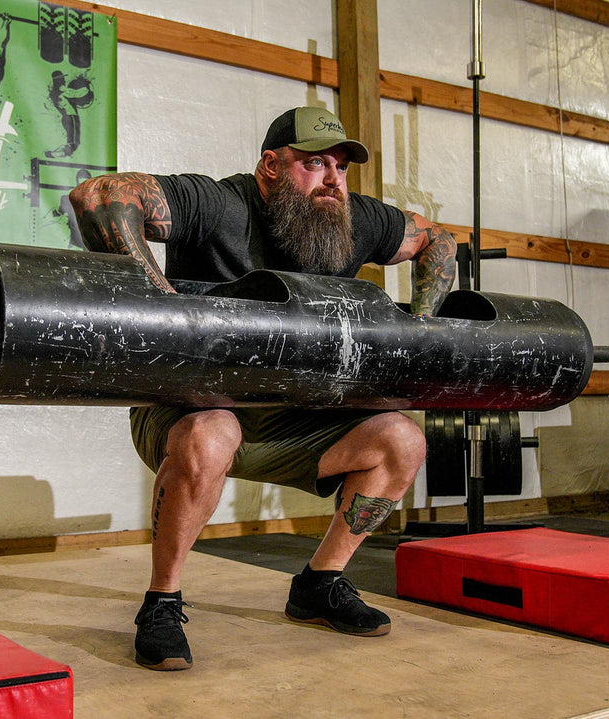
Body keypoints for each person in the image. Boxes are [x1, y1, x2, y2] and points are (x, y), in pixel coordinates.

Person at [69, 106, 457, 672]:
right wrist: (160, 302)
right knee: (214, 430)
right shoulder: (221, 205)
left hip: (291, 420)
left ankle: (320, 585)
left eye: (342, 168)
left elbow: (438, 240)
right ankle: (162, 601)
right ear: (271, 166)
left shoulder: (353, 220)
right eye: (315, 164)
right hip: (193, 409)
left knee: (403, 441)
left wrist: (422, 323)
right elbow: (101, 196)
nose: (332, 180)